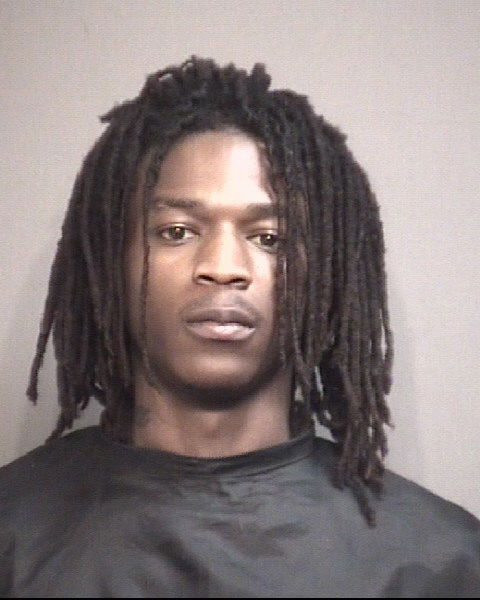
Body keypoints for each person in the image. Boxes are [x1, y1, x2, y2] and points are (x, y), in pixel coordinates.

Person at [0, 56, 478, 598]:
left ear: (327, 273)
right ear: (112, 261)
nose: (223, 267)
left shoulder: (443, 564)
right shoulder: (14, 535)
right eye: (177, 231)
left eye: (269, 238)